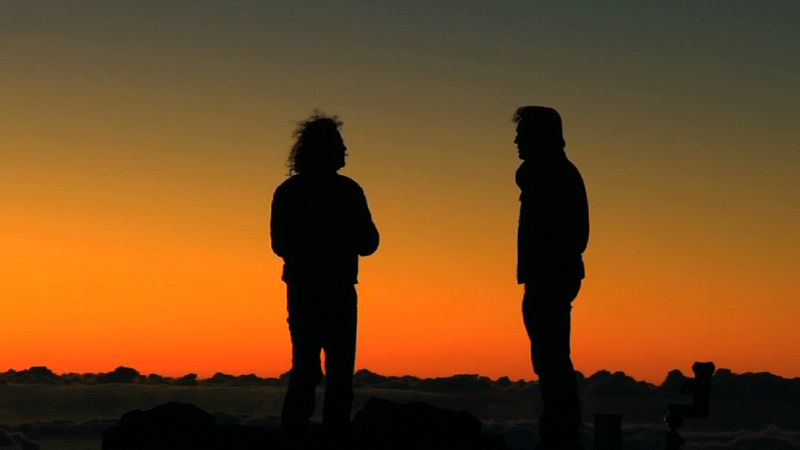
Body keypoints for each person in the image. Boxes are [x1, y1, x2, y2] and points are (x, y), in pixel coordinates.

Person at [270, 112, 379, 446]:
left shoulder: (289, 191)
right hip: (335, 290)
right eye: (340, 146)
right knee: (337, 372)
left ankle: (295, 434)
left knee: (305, 368)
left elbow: (280, 245)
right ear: (327, 150)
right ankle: (333, 437)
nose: (346, 152)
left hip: (305, 290)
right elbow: (369, 243)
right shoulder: (347, 191)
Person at [514, 106, 589, 450]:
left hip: (550, 279)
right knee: (549, 358)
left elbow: (573, 235)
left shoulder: (553, 175)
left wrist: (545, 273)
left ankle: (561, 434)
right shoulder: (546, 174)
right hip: (546, 278)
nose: (516, 140)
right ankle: (560, 430)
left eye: (523, 134)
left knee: (552, 359)